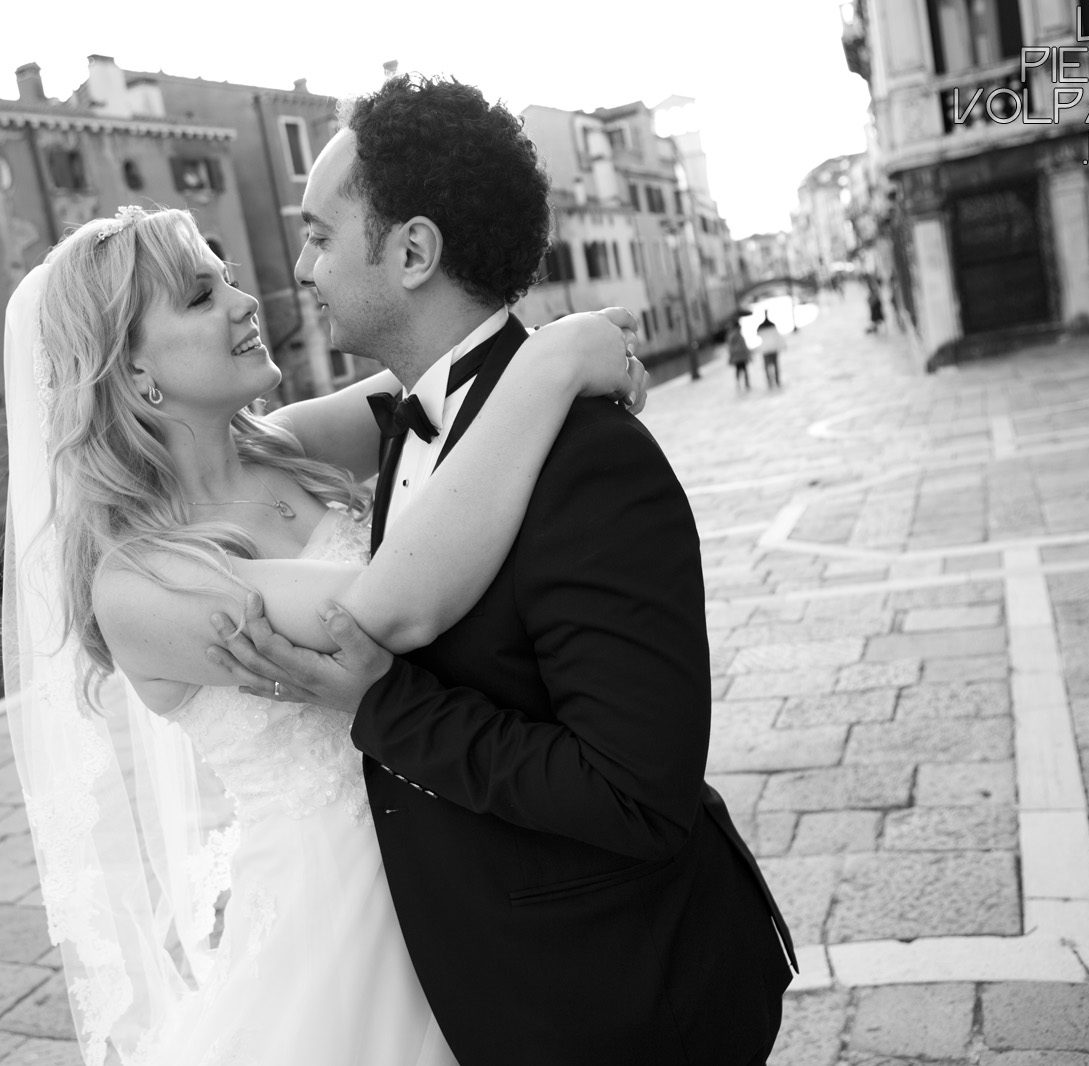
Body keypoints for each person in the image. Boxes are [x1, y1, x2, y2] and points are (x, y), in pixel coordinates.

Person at [209, 75, 796, 1066]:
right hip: (498, 993)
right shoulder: (409, 419)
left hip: (619, 1005)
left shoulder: (588, 459)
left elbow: (636, 794)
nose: (300, 266)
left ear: (411, 252)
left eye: (318, 234)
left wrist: (387, 704)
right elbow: (232, 446)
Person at [0, 203, 642, 1066]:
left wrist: (577, 338)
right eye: (200, 295)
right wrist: (559, 364)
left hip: (461, 865)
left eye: (227, 275)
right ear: (133, 370)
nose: (243, 299)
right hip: (340, 928)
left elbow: (458, 369)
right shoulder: (142, 584)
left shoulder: (288, 444)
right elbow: (397, 605)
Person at [757, 310, 785, 388]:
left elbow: (758, 335)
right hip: (772, 349)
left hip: (766, 350)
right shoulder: (772, 324)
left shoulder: (760, 326)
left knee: (767, 367)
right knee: (775, 366)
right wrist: (782, 345)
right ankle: (777, 381)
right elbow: (777, 336)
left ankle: (770, 383)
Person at [726, 322, 752, 391]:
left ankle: (740, 384)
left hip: (737, 356)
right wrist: (748, 354)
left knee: (739, 370)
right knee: (743, 370)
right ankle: (745, 383)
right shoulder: (737, 336)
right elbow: (743, 346)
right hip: (740, 356)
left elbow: (730, 347)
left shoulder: (731, 335)